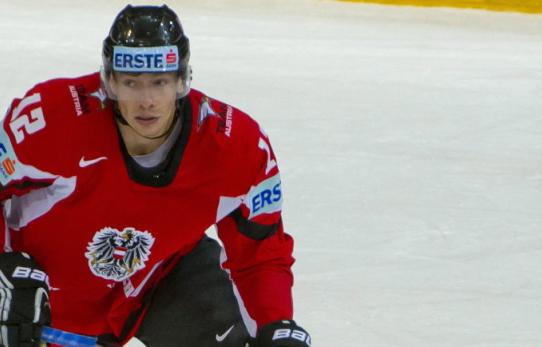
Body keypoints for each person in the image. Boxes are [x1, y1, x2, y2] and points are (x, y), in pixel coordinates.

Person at [0, 5, 311, 347]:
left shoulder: (238, 146)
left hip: (153, 283)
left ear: (182, 80)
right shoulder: (51, 119)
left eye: (159, 82)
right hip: (32, 300)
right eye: (132, 83)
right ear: (111, 81)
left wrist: (276, 322)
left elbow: (260, 252)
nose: (146, 100)